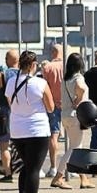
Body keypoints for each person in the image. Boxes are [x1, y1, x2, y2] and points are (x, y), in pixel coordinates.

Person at [5, 49, 56, 193]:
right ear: (33, 65)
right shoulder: (40, 83)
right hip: (37, 130)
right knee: (34, 169)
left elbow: (10, 103)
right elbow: (50, 107)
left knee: (27, 166)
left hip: (17, 130)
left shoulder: (11, 81)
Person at [54, 52, 93, 189]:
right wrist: (78, 100)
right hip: (76, 115)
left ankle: (83, 178)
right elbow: (81, 89)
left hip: (65, 115)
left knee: (78, 147)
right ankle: (58, 176)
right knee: (73, 148)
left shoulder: (65, 79)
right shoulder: (78, 78)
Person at [0, 50, 17, 182]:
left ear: (7, 60)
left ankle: (8, 173)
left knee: (4, 145)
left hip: (4, 112)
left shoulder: (2, 75)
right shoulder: (24, 75)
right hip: (21, 112)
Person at [41, 42, 64, 178]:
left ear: (53, 53)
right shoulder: (67, 66)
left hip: (52, 105)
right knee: (72, 138)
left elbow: (45, 87)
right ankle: (68, 168)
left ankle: (54, 167)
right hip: (67, 105)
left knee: (53, 136)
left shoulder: (48, 67)